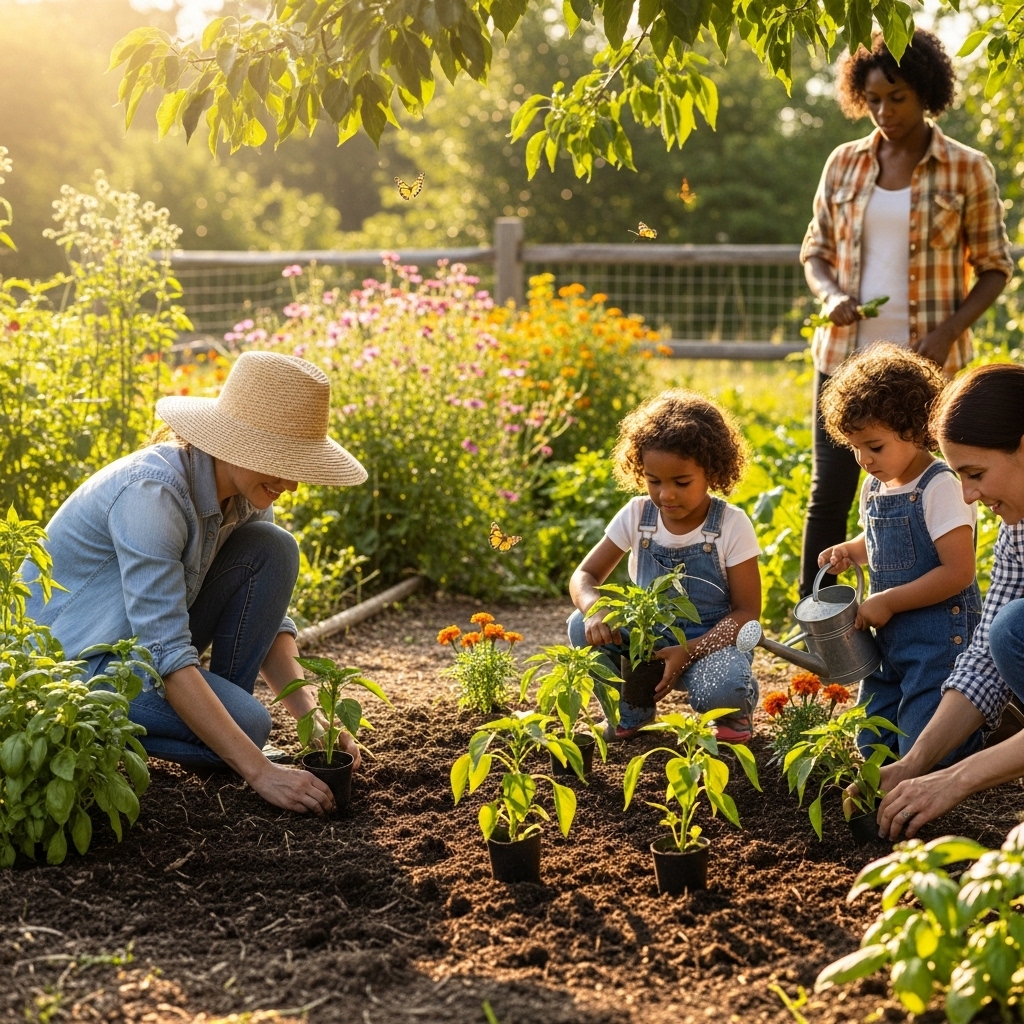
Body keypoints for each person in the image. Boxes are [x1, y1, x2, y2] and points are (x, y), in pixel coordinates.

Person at [24, 351, 368, 815]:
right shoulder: (154, 495)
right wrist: (261, 773)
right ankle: (227, 738)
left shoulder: (247, 491)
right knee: (249, 725)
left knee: (274, 547)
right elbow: (164, 652)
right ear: (239, 444)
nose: (292, 482)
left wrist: (316, 720)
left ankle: (223, 732)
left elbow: (265, 620)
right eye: (281, 461)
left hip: (137, 651)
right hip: (71, 668)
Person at [798, 29, 1012, 598]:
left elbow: (995, 266)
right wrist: (829, 296)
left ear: (925, 93)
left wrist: (948, 332)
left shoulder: (967, 169)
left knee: (943, 487)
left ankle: (946, 610)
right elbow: (814, 251)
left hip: (926, 367)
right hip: (845, 363)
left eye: (897, 97)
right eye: (872, 99)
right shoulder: (842, 163)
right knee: (833, 489)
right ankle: (819, 621)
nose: (884, 111)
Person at [868, 364, 1024, 839]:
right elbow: (984, 664)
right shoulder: (1017, 531)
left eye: (976, 473)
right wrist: (914, 764)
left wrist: (954, 781)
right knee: (1005, 633)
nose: (968, 496)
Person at [815, 344, 982, 759]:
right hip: (888, 642)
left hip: (939, 644)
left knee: (924, 752)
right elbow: (881, 541)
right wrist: (852, 551)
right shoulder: (876, 485)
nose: (864, 460)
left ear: (913, 429)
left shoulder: (940, 486)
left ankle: (983, 727)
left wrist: (888, 601)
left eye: (875, 446)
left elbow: (958, 571)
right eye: (855, 448)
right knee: (871, 743)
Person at [568, 389, 762, 742]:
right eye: (653, 481)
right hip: (645, 644)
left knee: (724, 690)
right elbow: (585, 576)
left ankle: (735, 714)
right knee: (580, 626)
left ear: (713, 471)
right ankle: (631, 710)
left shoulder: (731, 525)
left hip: (709, 643)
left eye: (681, 482)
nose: (665, 495)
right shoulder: (637, 515)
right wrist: (595, 609)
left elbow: (748, 612)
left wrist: (687, 651)